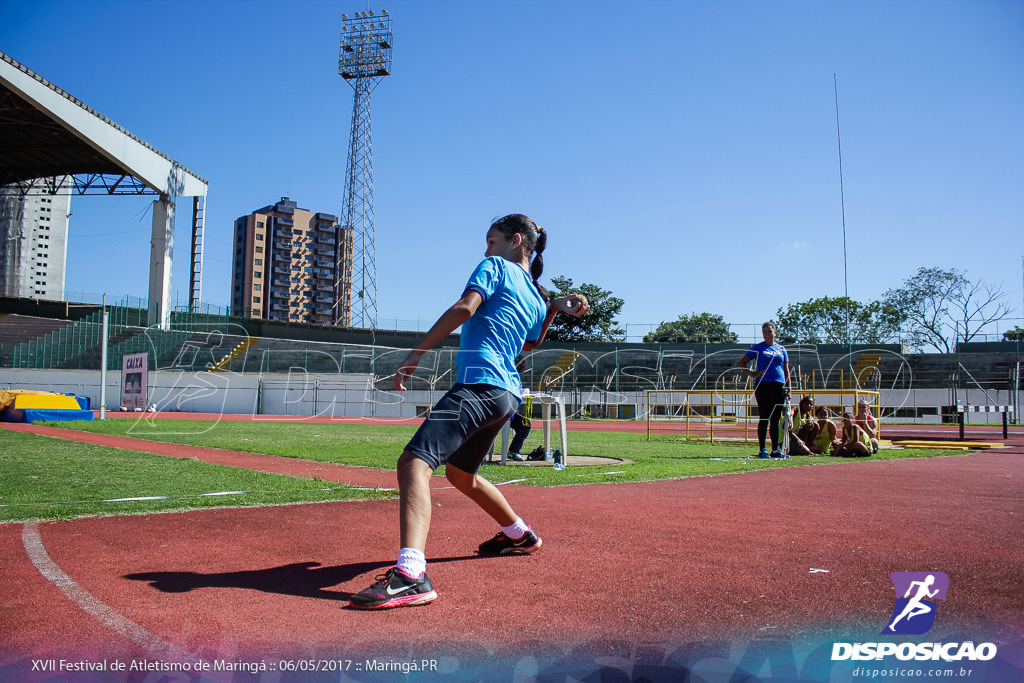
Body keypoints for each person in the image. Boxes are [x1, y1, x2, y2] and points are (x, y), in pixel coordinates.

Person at [349, 214, 590, 610]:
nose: (485, 249)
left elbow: (465, 307)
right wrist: (552, 309)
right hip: (507, 396)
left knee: (413, 463)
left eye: (491, 240)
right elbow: (529, 347)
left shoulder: (496, 267)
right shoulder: (534, 293)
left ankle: (411, 575)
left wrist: (415, 355)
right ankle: (518, 533)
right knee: (461, 474)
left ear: (514, 240)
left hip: (480, 386)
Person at [738, 321, 792, 458]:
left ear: (775, 332)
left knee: (776, 419)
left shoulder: (782, 349)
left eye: (769, 331)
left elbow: (786, 370)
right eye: (764, 332)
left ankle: (775, 450)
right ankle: (762, 449)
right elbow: (742, 363)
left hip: (778, 385)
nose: (767, 334)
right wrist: (753, 374)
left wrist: (789, 388)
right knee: (764, 417)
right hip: (763, 385)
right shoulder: (757, 348)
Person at [507, 392, 533, 461]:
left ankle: (513, 451)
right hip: (493, 409)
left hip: (510, 410)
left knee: (525, 424)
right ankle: (479, 454)